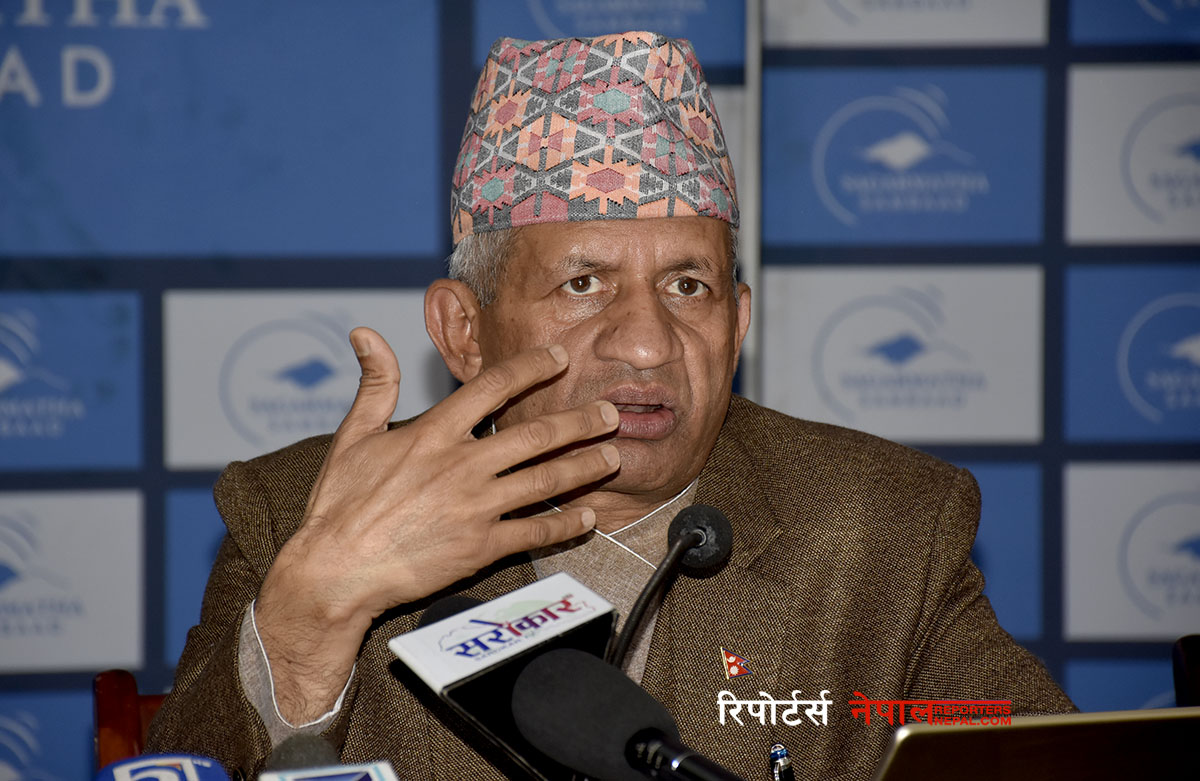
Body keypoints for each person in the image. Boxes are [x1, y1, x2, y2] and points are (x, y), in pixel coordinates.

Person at [147, 31, 1074, 779]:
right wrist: (307, 620)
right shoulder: (301, 510)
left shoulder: (883, 528)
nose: (646, 342)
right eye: (584, 283)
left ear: (738, 323)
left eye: (688, 286)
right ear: (464, 330)